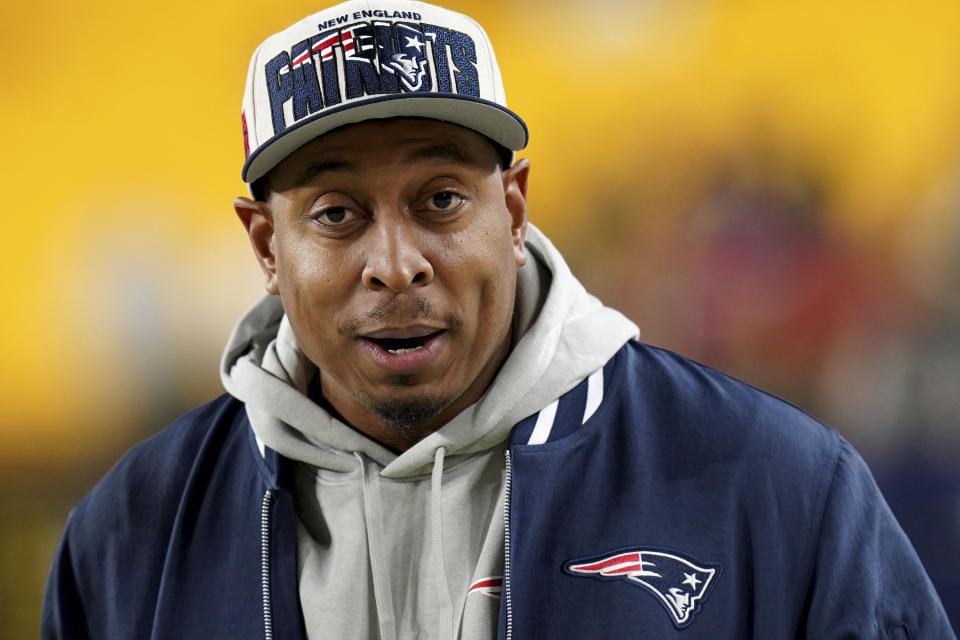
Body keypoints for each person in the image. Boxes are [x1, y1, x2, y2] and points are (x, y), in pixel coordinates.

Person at [42, 1, 955, 638]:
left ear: (514, 212)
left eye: (441, 199)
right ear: (265, 247)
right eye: (335, 214)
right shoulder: (129, 535)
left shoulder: (780, 487)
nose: (396, 263)